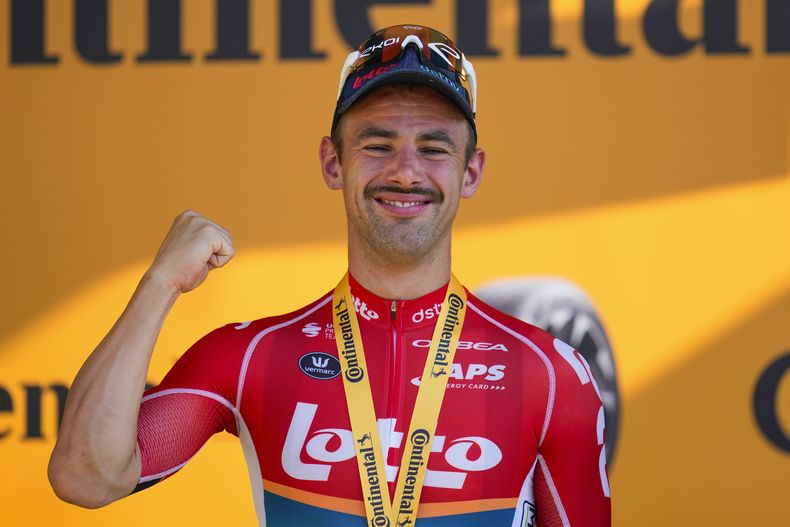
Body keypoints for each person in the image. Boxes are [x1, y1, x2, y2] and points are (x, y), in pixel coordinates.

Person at [48, 24, 611, 526]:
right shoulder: (249, 358)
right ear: (332, 163)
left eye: (434, 148)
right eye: (377, 143)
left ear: (471, 173)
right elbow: (85, 478)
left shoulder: (550, 374)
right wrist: (159, 285)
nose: (405, 170)